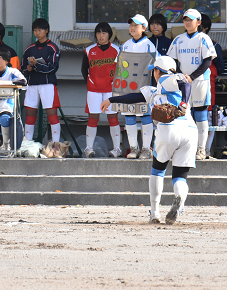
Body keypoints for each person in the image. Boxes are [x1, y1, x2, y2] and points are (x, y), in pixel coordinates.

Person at [101, 55, 196, 224]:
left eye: (155, 71)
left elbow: (185, 82)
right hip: (189, 131)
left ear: (159, 71)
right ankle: (180, 198)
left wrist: (183, 104)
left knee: (158, 170)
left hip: (168, 129)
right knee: (180, 176)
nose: (154, 74)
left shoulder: (166, 79)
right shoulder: (154, 91)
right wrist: (113, 99)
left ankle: (155, 212)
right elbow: (135, 97)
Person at [167, 9, 217, 160]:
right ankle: (182, 148)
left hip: (200, 81)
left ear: (199, 22)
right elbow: (172, 61)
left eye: (191, 19)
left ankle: (202, 150)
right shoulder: (178, 39)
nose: (188, 22)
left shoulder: (204, 38)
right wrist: (179, 76)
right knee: (182, 115)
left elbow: (208, 61)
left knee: (201, 115)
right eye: (185, 19)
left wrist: (192, 76)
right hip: (183, 83)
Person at [119, 14, 158, 159]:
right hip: (128, 87)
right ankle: (133, 148)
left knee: (145, 116)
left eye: (136, 25)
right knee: (129, 116)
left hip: (144, 87)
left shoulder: (149, 45)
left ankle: (146, 149)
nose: (132, 28)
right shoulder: (125, 45)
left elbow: (156, 66)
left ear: (144, 28)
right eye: (131, 25)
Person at [81, 22, 122, 158]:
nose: (101, 35)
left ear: (109, 34)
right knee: (93, 118)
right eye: (98, 33)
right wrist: (90, 82)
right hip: (94, 89)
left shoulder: (117, 50)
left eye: (104, 32)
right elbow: (83, 69)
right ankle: (89, 148)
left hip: (111, 90)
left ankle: (117, 148)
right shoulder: (89, 50)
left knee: (112, 117)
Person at [21, 18, 62, 148]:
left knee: (51, 114)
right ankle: (28, 144)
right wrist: (28, 69)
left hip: (47, 84)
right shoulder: (29, 49)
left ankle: (56, 145)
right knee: (30, 114)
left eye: (40, 30)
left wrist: (36, 65)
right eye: (35, 30)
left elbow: (53, 67)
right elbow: (22, 68)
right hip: (32, 85)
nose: (37, 33)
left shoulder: (52, 48)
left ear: (47, 30)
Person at [200, 13, 225, 158]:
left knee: (209, 116)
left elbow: (220, 67)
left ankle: (206, 149)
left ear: (206, 28)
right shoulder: (182, 42)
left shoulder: (214, 45)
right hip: (190, 85)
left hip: (209, 85)